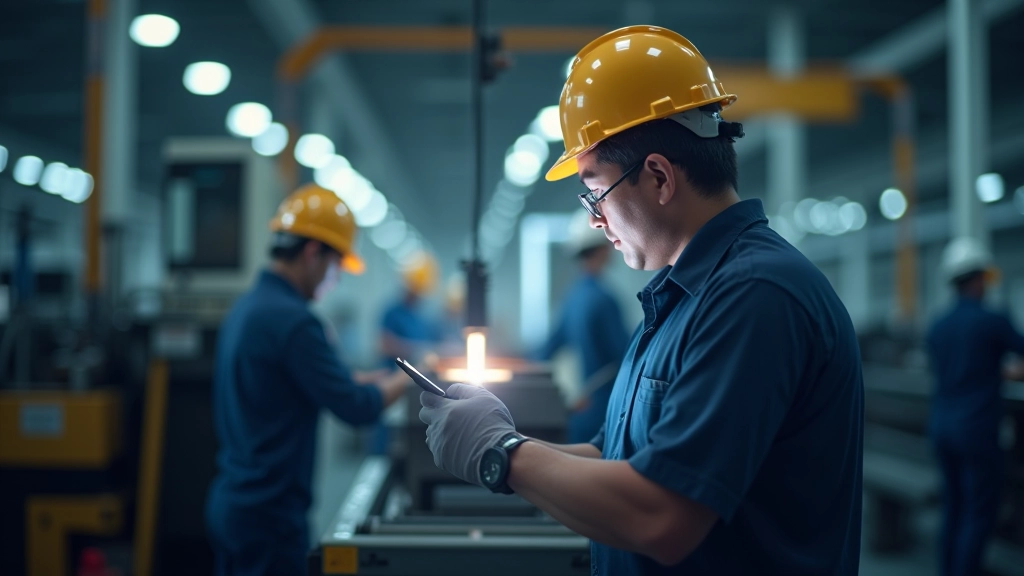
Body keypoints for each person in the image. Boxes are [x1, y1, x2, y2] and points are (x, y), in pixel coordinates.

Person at [418, 26, 863, 575]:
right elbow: (614, 459)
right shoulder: (680, 299)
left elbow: (662, 516)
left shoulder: (754, 295)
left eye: (594, 189)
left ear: (657, 176)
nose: (594, 218)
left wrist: (503, 455)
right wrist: (500, 434)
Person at [206, 184, 408, 576]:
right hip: (270, 514)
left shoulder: (250, 307)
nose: (334, 280)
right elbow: (356, 406)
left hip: (236, 502)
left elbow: (301, 383)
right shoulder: (295, 321)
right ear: (314, 253)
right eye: (336, 267)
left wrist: (363, 379)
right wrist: (416, 378)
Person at [927, 236, 1024, 576]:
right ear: (981, 278)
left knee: (953, 508)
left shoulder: (937, 326)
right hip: (976, 431)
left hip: (942, 428)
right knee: (978, 511)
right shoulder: (991, 320)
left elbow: (957, 369)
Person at [534, 209, 630, 443]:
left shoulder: (573, 298)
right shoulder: (604, 300)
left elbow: (545, 351)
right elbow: (627, 358)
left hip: (581, 411)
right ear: (603, 248)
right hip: (607, 412)